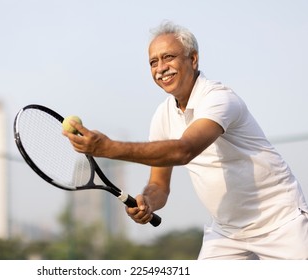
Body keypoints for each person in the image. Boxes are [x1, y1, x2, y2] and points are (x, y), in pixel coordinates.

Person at [62, 21, 308, 260]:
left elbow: (184, 151)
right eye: (153, 62)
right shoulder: (162, 115)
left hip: (282, 223)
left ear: (193, 59)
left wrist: (108, 148)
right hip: (226, 234)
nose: (161, 68)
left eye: (168, 57)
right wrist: (148, 201)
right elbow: (159, 185)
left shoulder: (219, 99)